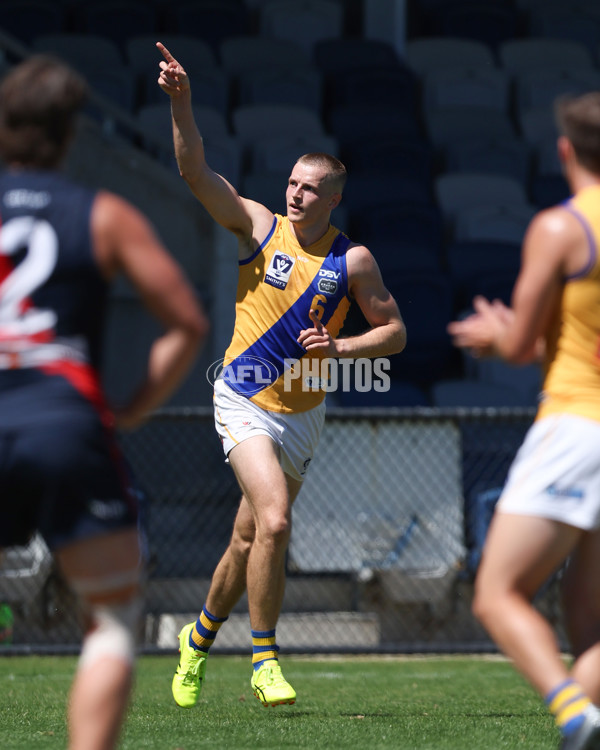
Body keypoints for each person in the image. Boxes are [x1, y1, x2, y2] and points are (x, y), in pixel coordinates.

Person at [156, 41, 406, 709]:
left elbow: (395, 333)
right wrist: (182, 103)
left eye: (309, 188)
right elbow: (194, 172)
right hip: (241, 397)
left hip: (303, 416)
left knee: (248, 539)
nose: (294, 194)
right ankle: (265, 659)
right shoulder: (258, 227)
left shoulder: (353, 262)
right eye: (292, 183)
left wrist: (342, 351)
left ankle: (197, 641)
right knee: (275, 523)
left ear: (333, 197)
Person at [0, 55, 208, 750]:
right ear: (70, 136)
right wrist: (134, 408)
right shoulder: (103, 215)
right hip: (66, 424)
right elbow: (187, 322)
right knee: (113, 616)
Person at [447, 91, 600, 750]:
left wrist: (498, 332)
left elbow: (519, 348)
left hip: (577, 425)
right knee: (586, 615)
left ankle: (574, 713)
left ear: (564, 150)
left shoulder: (562, 228)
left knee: (497, 593)